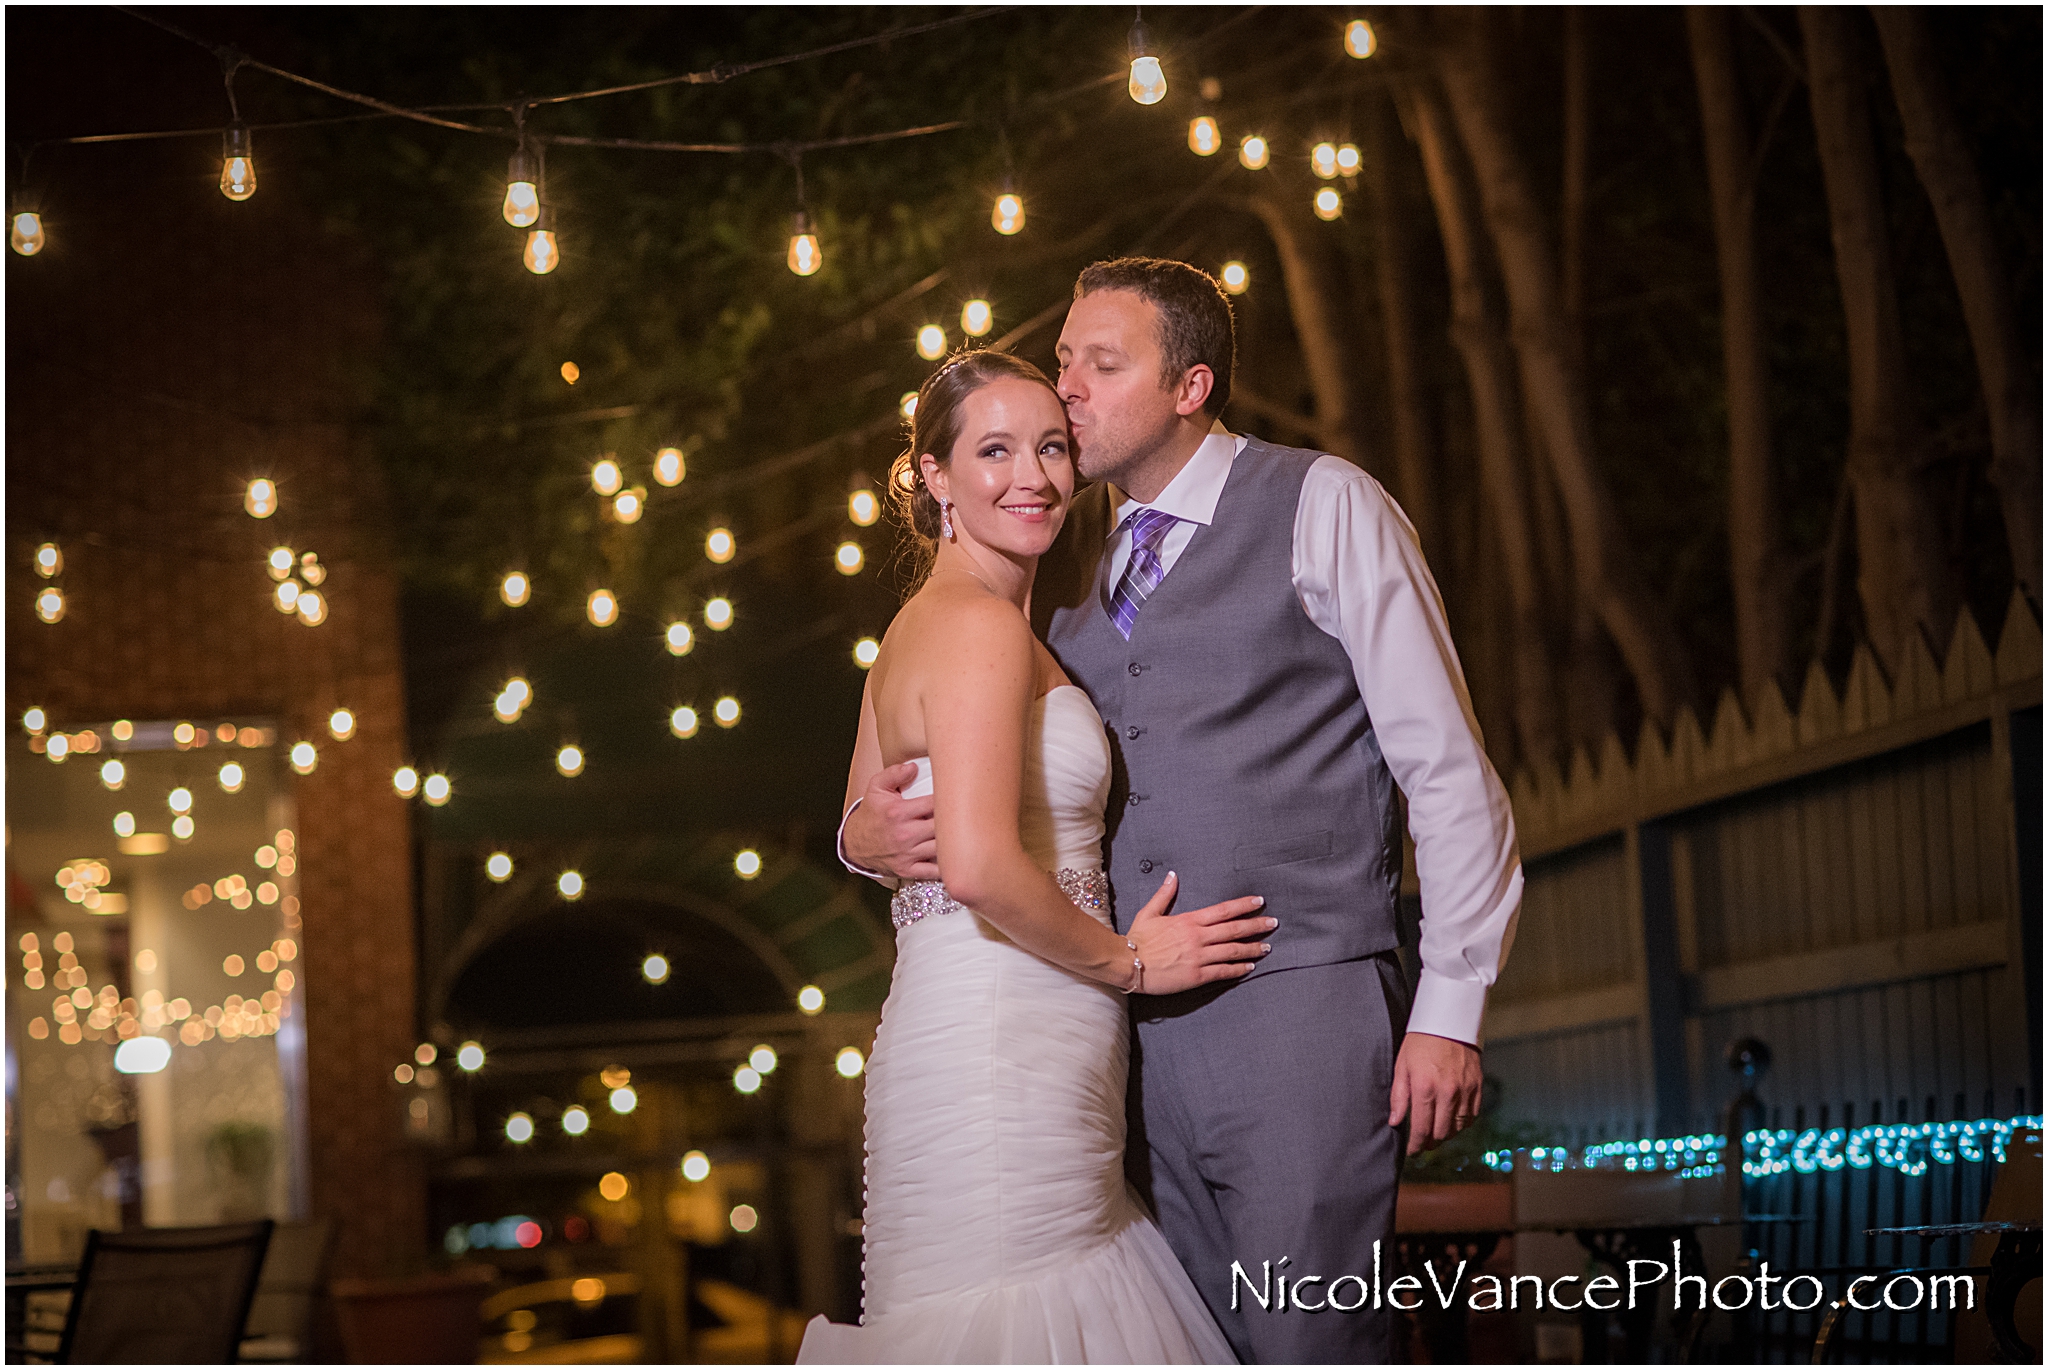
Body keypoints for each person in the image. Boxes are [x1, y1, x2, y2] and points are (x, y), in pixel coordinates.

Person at [841, 258, 1523, 1363]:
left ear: (1189, 385)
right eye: (1062, 361)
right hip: (1119, 1042)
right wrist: (858, 833)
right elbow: (926, 767)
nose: (1066, 392)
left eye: (1099, 367)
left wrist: (1449, 1006)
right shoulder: (1047, 565)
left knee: (1313, 1338)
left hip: (1298, 1000)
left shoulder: (1321, 502)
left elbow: (1443, 768)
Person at [797, 348, 1273, 1364]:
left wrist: (856, 837)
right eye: (996, 450)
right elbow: (971, 863)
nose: (1036, 476)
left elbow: (861, 813)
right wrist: (1130, 963)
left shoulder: (927, 626)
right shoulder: (976, 627)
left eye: (1052, 446)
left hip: (999, 1034)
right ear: (933, 476)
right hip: (999, 1044)